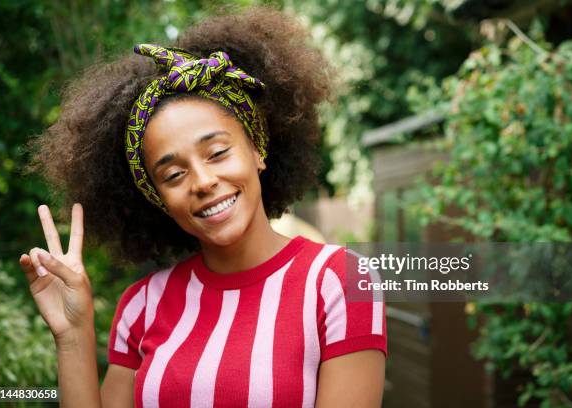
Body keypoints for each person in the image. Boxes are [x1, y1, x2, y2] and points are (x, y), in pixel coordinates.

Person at [19, 6, 387, 408]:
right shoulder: (141, 305)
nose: (203, 181)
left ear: (256, 149)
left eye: (217, 152)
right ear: (157, 196)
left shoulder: (340, 281)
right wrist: (73, 335)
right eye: (174, 175)